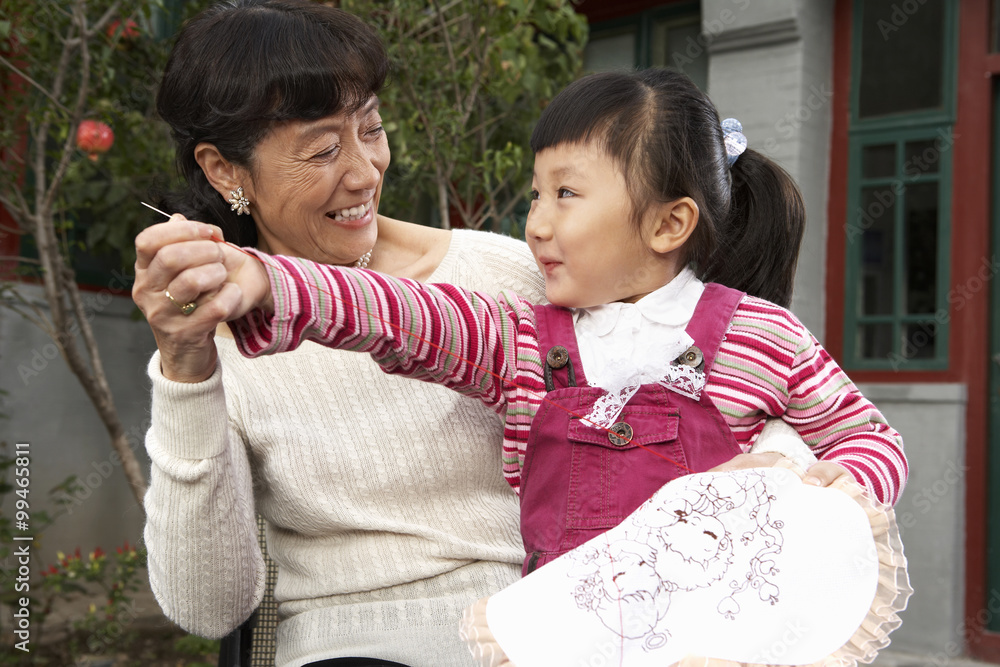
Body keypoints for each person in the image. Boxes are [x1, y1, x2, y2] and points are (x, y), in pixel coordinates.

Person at [158, 69, 907, 582]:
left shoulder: (762, 338)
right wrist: (265, 278)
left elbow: (868, 435)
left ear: (669, 222)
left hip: (716, 633)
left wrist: (842, 486)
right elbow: (397, 314)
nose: (536, 222)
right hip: (562, 633)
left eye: (567, 194)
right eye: (537, 192)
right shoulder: (518, 340)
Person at [132, 1, 550, 665]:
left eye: (372, 128)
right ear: (223, 169)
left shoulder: (504, 274)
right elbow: (207, 607)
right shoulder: (218, 344)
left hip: (542, 628)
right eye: (323, 149)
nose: (364, 172)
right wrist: (184, 370)